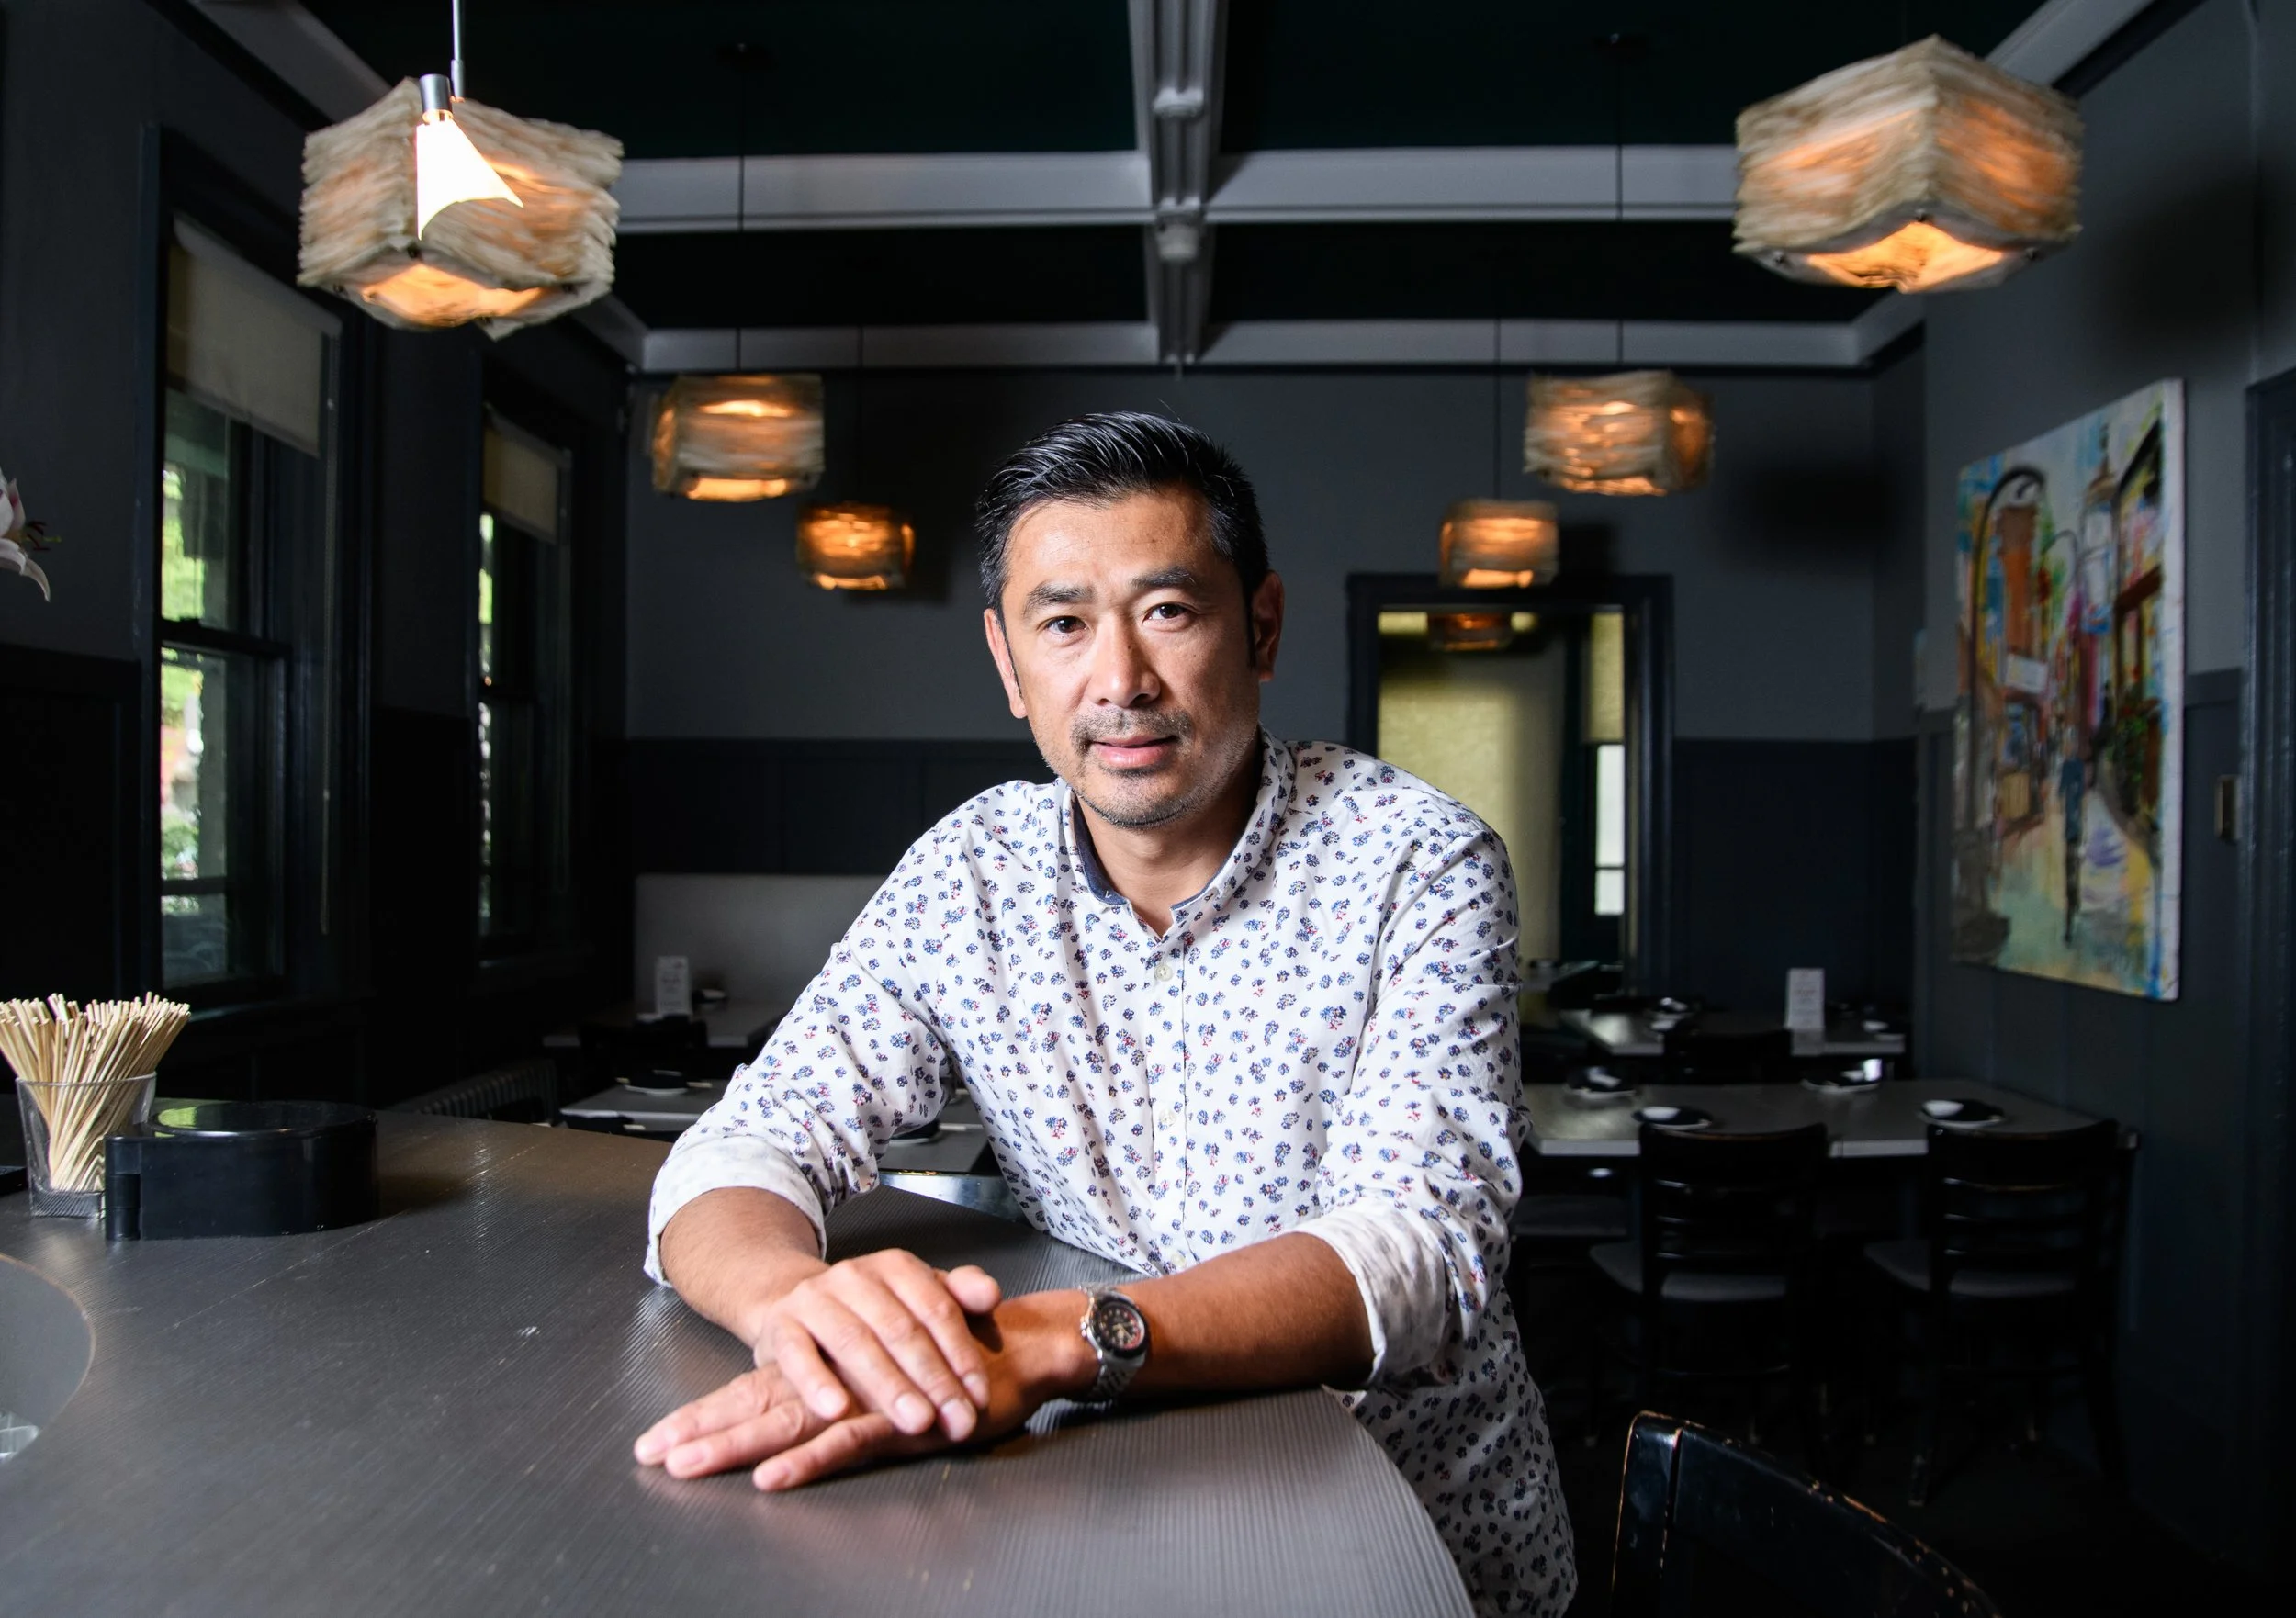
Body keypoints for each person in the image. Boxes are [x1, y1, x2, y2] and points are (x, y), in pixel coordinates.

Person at [632, 412, 1574, 1617]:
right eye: (1064, 622)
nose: (1119, 679)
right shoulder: (968, 874)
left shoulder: (1419, 860)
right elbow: (742, 1141)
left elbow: (1422, 1256)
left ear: (1262, 625)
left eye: (1169, 610)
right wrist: (797, 1306)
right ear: (1008, 663)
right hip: (1100, 1505)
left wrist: (1072, 1338)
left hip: (1407, 1534)